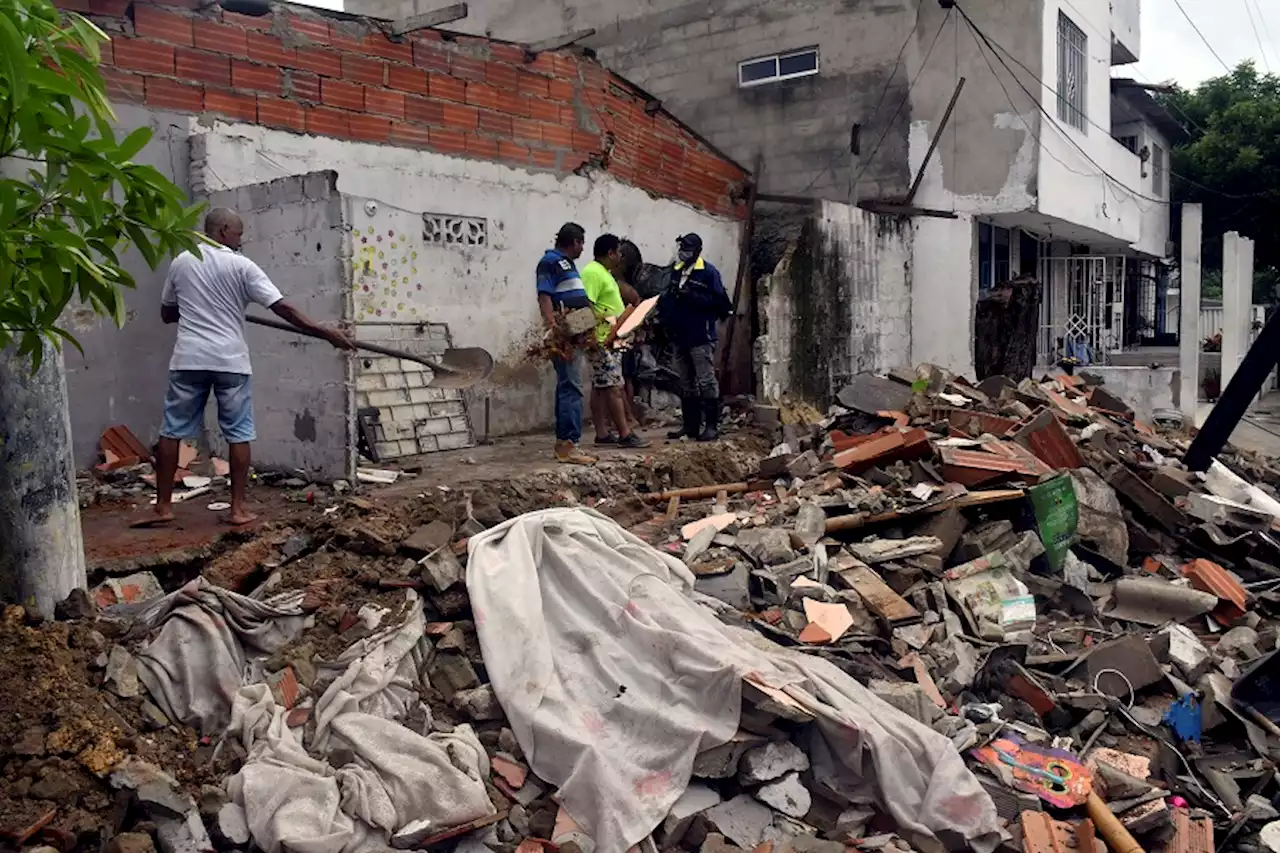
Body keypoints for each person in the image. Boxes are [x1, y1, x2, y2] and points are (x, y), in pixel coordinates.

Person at [137, 207, 354, 528]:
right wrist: (328, 334)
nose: (241, 241)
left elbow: (168, 314)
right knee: (238, 434)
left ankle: (163, 507)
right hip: (230, 362)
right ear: (223, 230)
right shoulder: (242, 266)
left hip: (190, 359)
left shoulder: (181, 262)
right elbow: (284, 308)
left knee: (172, 431)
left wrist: (201, 307)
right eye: (239, 234)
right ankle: (237, 509)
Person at [658, 233, 731, 441]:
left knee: (706, 381)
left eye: (688, 249)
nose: (683, 253)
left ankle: (711, 426)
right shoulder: (676, 271)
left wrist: (694, 296)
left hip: (700, 335)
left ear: (697, 251)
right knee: (686, 382)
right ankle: (690, 426)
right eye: (682, 248)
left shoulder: (708, 272)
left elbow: (720, 303)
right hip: (679, 335)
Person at [580, 234, 649, 449]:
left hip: (608, 339)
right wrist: (591, 336)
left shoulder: (603, 273)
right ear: (609, 253)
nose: (620, 256)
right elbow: (587, 304)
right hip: (601, 340)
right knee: (614, 387)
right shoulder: (593, 273)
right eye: (618, 252)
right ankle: (625, 433)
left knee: (601, 387)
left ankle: (602, 433)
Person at [536, 223, 596, 464]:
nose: (583, 249)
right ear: (575, 242)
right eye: (581, 243)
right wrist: (553, 328)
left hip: (576, 333)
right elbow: (544, 295)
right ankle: (568, 445)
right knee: (571, 387)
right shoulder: (550, 262)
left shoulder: (568, 264)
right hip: (565, 336)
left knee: (571, 386)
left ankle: (569, 443)